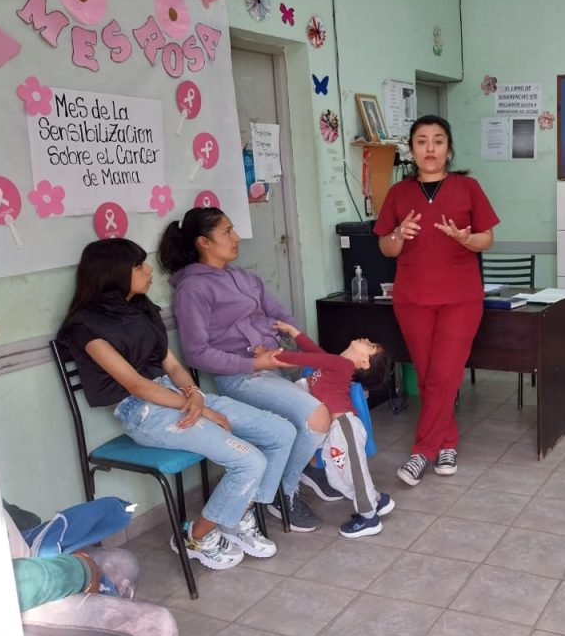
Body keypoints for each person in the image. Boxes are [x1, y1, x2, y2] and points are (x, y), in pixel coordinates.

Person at [59, 239, 296, 569]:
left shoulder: (141, 308)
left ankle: (237, 516)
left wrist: (195, 395)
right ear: (114, 274)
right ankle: (197, 537)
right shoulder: (86, 327)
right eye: (139, 266)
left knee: (281, 431)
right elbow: (136, 385)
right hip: (144, 411)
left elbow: (170, 364)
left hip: (178, 395)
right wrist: (200, 408)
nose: (148, 271)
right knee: (250, 461)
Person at [158, 207, 340, 532]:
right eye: (227, 232)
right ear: (204, 242)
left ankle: (302, 470)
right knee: (316, 416)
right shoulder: (193, 290)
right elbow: (197, 354)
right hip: (242, 377)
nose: (236, 237)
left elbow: (283, 315)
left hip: (278, 365)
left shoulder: (244, 277)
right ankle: (285, 493)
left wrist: (295, 348)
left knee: (335, 400)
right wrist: (255, 362)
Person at [374, 114, 500, 486]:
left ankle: (421, 452)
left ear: (448, 148)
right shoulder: (398, 194)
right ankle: (447, 443)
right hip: (412, 299)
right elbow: (386, 248)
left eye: (438, 141)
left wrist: (466, 239)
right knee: (430, 376)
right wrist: (398, 232)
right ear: (411, 150)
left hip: (461, 298)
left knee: (445, 373)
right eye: (422, 141)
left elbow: (486, 239)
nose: (430, 148)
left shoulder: (468, 187)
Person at [6, 506, 177, 636]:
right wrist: (82, 570)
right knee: (157, 630)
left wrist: (55, 544)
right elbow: (7, 583)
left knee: (122, 564)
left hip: (20, 578)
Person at [258, 321, 395, 537]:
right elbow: (312, 351)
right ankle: (377, 500)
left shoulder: (339, 365)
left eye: (370, 345)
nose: (366, 340)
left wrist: (271, 358)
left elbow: (306, 358)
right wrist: (293, 332)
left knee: (354, 472)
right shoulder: (335, 363)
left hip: (344, 429)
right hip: (336, 431)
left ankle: (369, 518)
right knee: (344, 473)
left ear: (364, 362)